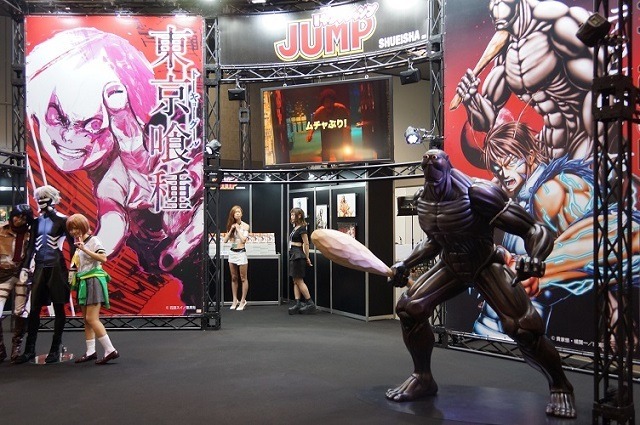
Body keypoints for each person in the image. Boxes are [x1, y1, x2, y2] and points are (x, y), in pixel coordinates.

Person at [387, 149, 576, 419]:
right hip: (451, 264)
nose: (430, 165)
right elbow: (434, 241)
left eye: (436, 161)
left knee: (524, 328)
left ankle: (560, 386)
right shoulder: (424, 199)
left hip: (484, 263)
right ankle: (423, 377)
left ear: (448, 165)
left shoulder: (478, 193)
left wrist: (534, 257)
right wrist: (405, 263)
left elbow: (534, 229)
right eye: (426, 163)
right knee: (409, 309)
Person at [26, 27, 204, 309]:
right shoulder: (104, 181)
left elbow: (112, 222)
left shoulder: (148, 154)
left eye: (93, 125)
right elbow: (111, 225)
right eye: (57, 116)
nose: (70, 137)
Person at [454, 0, 596, 160]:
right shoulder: (506, 53)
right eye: (493, 2)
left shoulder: (556, 23)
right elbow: (486, 122)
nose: (496, 7)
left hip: (581, 140)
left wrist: (598, 139)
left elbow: (596, 87)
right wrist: (472, 100)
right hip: (547, 148)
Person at [15, 185, 75, 364]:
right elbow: (31, 247)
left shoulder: (63, 221)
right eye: (38, 198)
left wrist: (74, 268)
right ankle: (29, 349)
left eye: (44, 198)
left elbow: (72, 246)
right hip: (40, 266)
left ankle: (55, 348)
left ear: (53, 199)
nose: (40, 201)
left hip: (57, 266)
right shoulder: (36, 222)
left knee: (58, 305)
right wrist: (25, 267)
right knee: (34, 308)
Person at [67, 213, 119, 365]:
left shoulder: (93, 240)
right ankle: (91, 351)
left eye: (76, 228)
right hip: (83, 281)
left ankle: (110, 350)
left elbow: (103, 258)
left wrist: (85, 250)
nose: (73, 232)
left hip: (94, 280)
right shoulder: (79, 243)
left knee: (92, 318)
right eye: (71, 229)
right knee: (86, 320)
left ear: (83, 226)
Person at [0, 204, 33, 362]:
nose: (19, 220)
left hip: (22, 274)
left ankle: (16, 346)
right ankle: (0, 348)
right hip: (3, 273)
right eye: (17, 216)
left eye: (24, 218)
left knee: (21, 311)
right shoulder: (1, 230)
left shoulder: (30, 234)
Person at [306, 88, 351, 162]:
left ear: (334, 101)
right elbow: (313, 125)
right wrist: (310, 134)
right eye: (326, 102)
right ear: (323, 103)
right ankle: (326, 166)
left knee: (339, 154)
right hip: (326, 134)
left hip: (337, 133)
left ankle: (340, 165)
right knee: (325, 154)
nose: (329, 104)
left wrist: (347, 131)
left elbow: (347, 121)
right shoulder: (319, 112)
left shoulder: (341, 109)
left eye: (331, 102)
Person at [287, 208, 316, 315]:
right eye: (291, 215)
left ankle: (310, 303)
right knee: (295, 280)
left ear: (299, 216)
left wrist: (307, 257)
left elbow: (306, 243)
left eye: (293, 215)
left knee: (299, 280)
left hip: (298, 256)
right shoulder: (295, 228)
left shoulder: (302, 228)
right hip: (293, 255)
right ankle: (298, 303)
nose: (291, 217)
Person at [223, 206, 250, 311]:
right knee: (234, 277)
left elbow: (243, 240)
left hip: (241, 252)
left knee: (243, 278)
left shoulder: (245, 226)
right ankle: (235, 300)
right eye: (235, 212)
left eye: (239, 212)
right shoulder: (230, 225)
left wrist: (238, 229)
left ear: (241, 214)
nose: (237, 214)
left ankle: (243, 300)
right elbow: (225, 240)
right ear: (233, 215)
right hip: (232, 252)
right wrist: (231, 230)